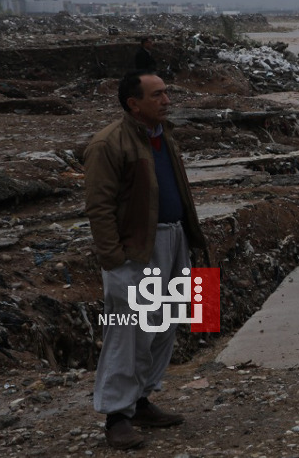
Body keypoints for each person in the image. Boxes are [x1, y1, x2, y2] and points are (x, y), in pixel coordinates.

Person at [84, 71, 207, 449]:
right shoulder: (108, 143)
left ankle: (141, 401)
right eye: (157, 95)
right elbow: (99, 206)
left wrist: (192, 240)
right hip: (137, 250)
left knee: (168, 321)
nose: (167, 100)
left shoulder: (164, 137)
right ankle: (116, 417)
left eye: (167, 92)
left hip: (174, 239)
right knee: (129, 330)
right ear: (133, 103)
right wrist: (114, 260)